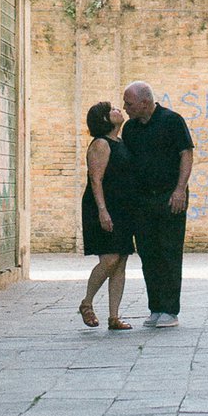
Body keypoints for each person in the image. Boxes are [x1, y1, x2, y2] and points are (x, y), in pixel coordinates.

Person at [119, 81, 194, 327]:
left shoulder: (172, 121)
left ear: (145, 102)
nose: (125, 108)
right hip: (142, 200)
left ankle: (170, 311)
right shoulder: (130, 128)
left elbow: (186, 154)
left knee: (169, 251)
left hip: (169, 197)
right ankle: (156, 308)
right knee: (148, 252)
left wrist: (180, 189)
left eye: (129, 104)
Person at [77, 100, 134, 330]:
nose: (118, 110)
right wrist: (102, 210)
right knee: (110, 258)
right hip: (102, 206)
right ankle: (87, 302)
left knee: (120, 261)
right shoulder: (101, 144)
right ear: (104, 119)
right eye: (111, 110)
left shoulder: (120, 142)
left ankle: (114, 316)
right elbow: (96, 179)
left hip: (122, 207)